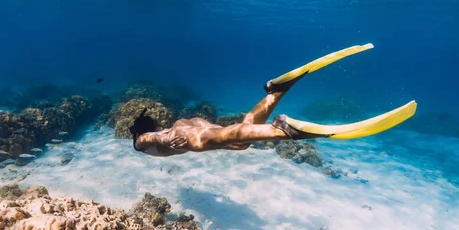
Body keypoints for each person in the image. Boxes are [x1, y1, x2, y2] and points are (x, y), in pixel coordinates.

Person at [130, 44, 417, 157]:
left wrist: (164, 141)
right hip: (193, 124)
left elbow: (144, 141)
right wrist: (165, 136)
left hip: (189, 136)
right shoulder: (175, 123)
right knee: (239, 138)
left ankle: (286, 131)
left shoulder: (143, 141)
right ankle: (276, 90)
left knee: (228, 136)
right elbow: (158, 132)